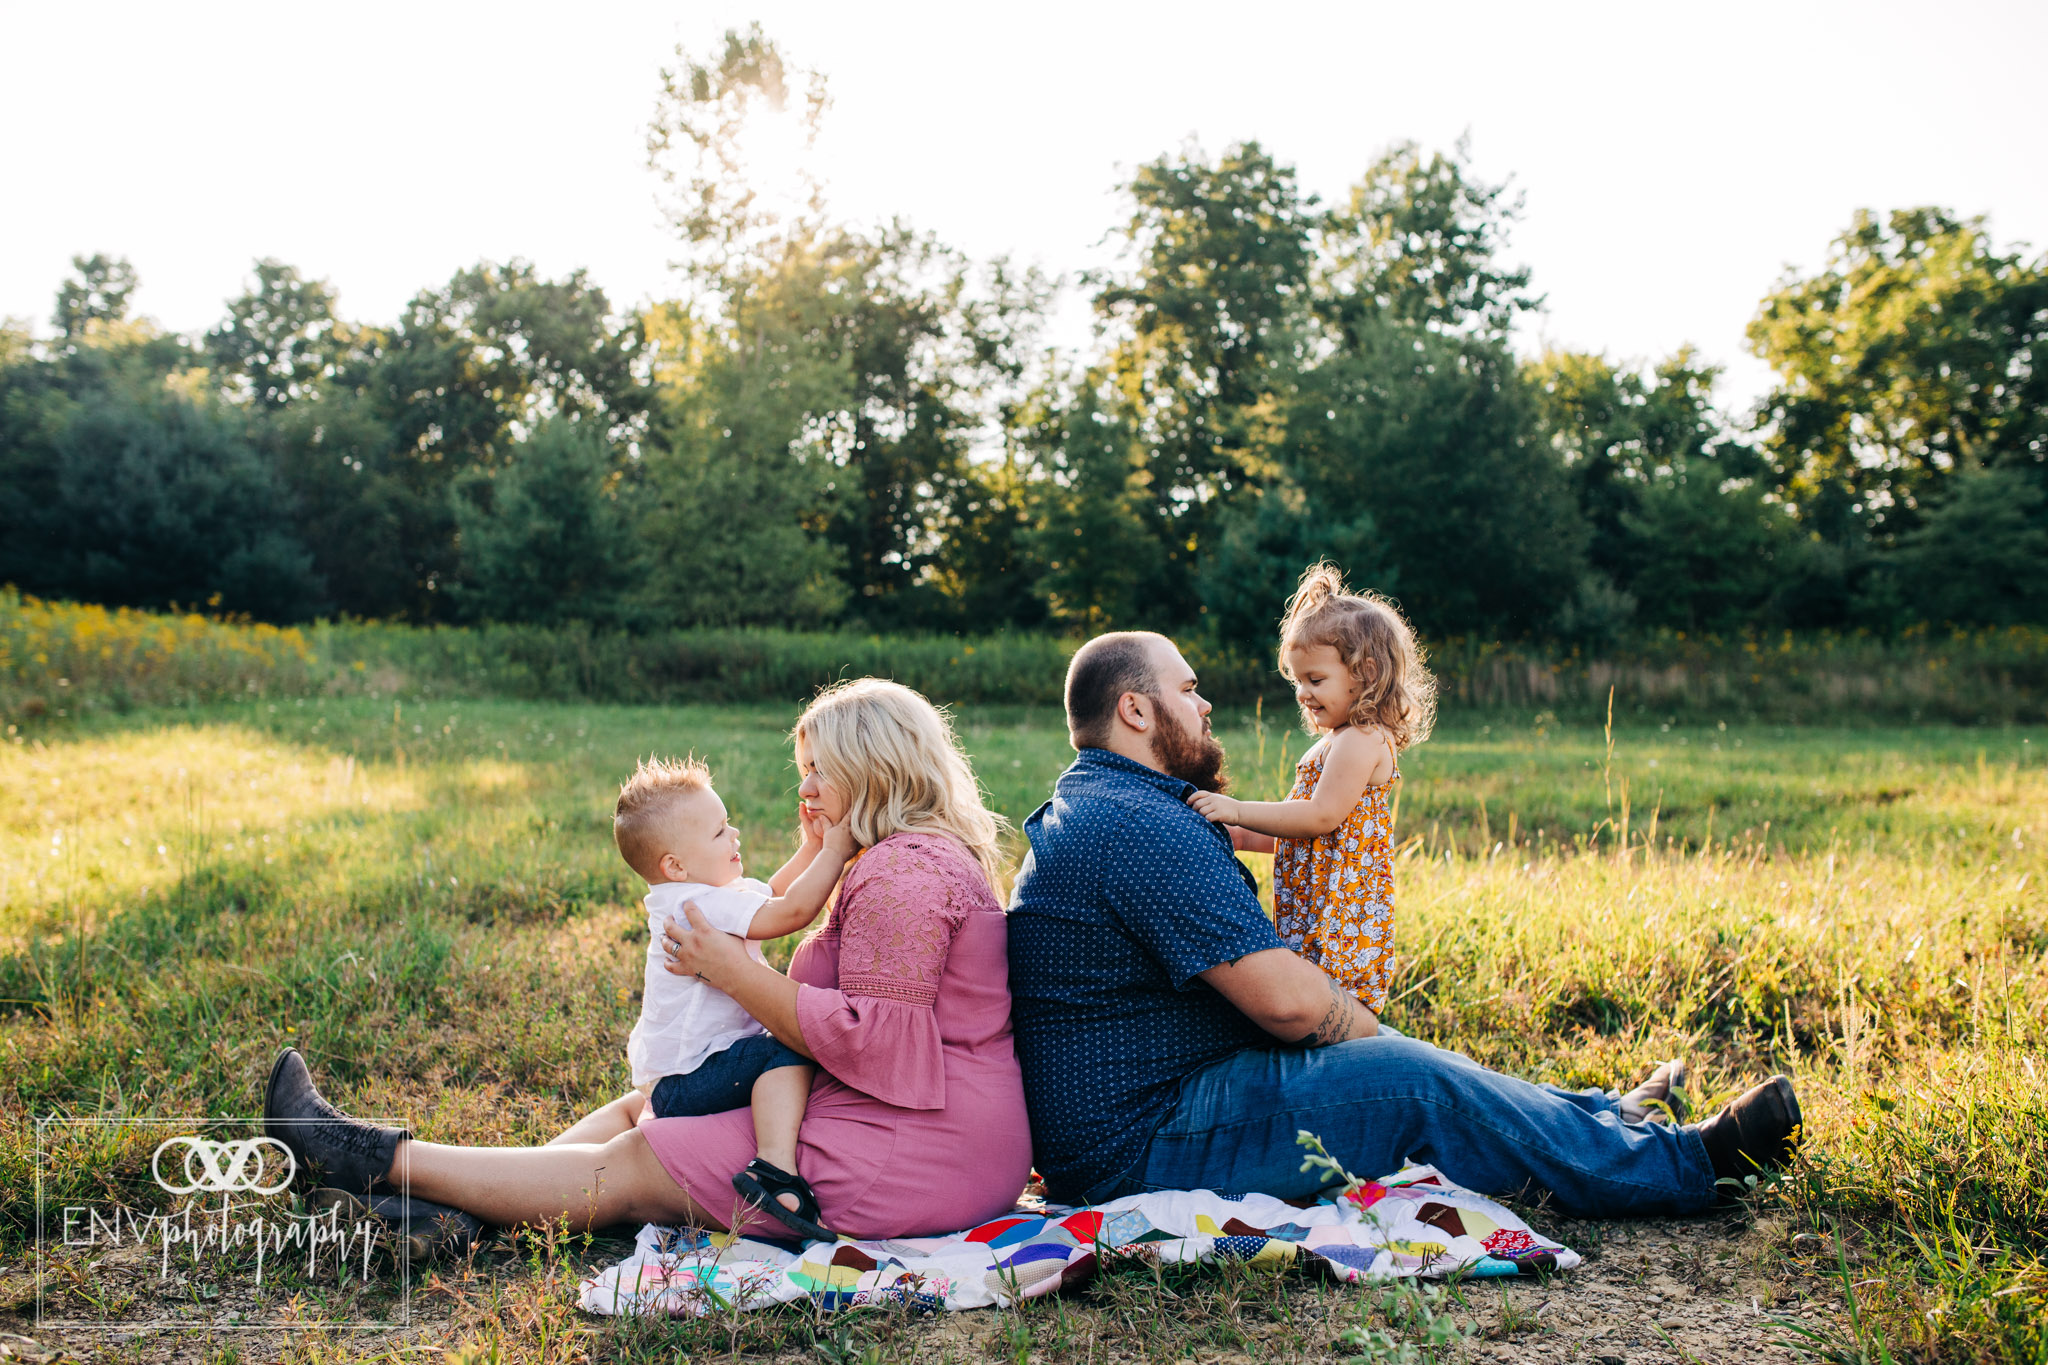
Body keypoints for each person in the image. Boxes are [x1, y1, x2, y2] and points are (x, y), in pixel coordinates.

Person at [1006, 630, 1799, 1215]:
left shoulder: (1111, 807)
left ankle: (1603, 1117)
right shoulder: (1135, 827)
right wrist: (1375, 1042)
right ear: (1136, 709)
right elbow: (1290, 1005)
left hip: (1158, 1111)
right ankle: (1690, 1168)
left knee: (1407, 1067)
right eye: (1188, 689)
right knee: (1409, 1078)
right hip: (1147, 1143)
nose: (1206, 703)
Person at [263, 679, 1033, 1242]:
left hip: (919, 1148)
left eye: (817, 769)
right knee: (650, 1107)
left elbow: (883, 1043)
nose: (805, 787)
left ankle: (367, 1156)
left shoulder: (904, 872)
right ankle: (453, 1210)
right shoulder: (903, 857)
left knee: (639, 1158)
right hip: (919, 1125)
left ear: (872, 768)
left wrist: (736, 974)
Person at [612, 754, 856, 1240]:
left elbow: (769, 895)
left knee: (778, 1046)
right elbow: (790, 912)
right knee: (787, 1047)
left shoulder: (694, 894)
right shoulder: (697, 903)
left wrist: (809, 847)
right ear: (675, 864)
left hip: (677, 1074)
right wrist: (835, 849)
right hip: (687, 1080)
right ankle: (774, 1169)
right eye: (720, 831)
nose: (736, 835)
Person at [1186, 562, 1436, 1017]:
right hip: (1317, 901)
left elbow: (1320, 817)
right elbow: (1303, 830)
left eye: (1315, 680)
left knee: (1329, 1000)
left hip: (1342, 912)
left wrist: (1238, 811)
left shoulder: (1362, 739)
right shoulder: (1337, 739)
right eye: (1297, 681)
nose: (1302, 693)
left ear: (1366, 673)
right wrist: (1241, 837)